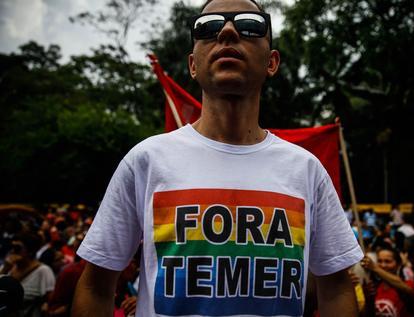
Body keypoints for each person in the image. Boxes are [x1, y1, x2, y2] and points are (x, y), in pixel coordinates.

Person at [72, 0, 363, 316]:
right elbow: (95, 286)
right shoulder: (145, 161)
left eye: (250, 24)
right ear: (193, 65)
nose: (227, 31)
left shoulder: (307, 170)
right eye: (207, 28)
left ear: (272, 62)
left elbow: (335, 289)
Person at [0, 232, 56, 317]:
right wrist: (5, 269)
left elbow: (51, 301)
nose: (12, 251)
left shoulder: (43, 271)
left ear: (30, 251)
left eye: (17, 248)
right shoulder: (9, 266)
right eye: (12, 247)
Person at [361, 246, 414, 317]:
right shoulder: (375, 287)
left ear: (398, 264)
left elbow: (408, 290)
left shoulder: (409, 284)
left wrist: (374, 267)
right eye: (379, 261)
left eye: (388, 261)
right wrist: (368, 300)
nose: (383, 265)